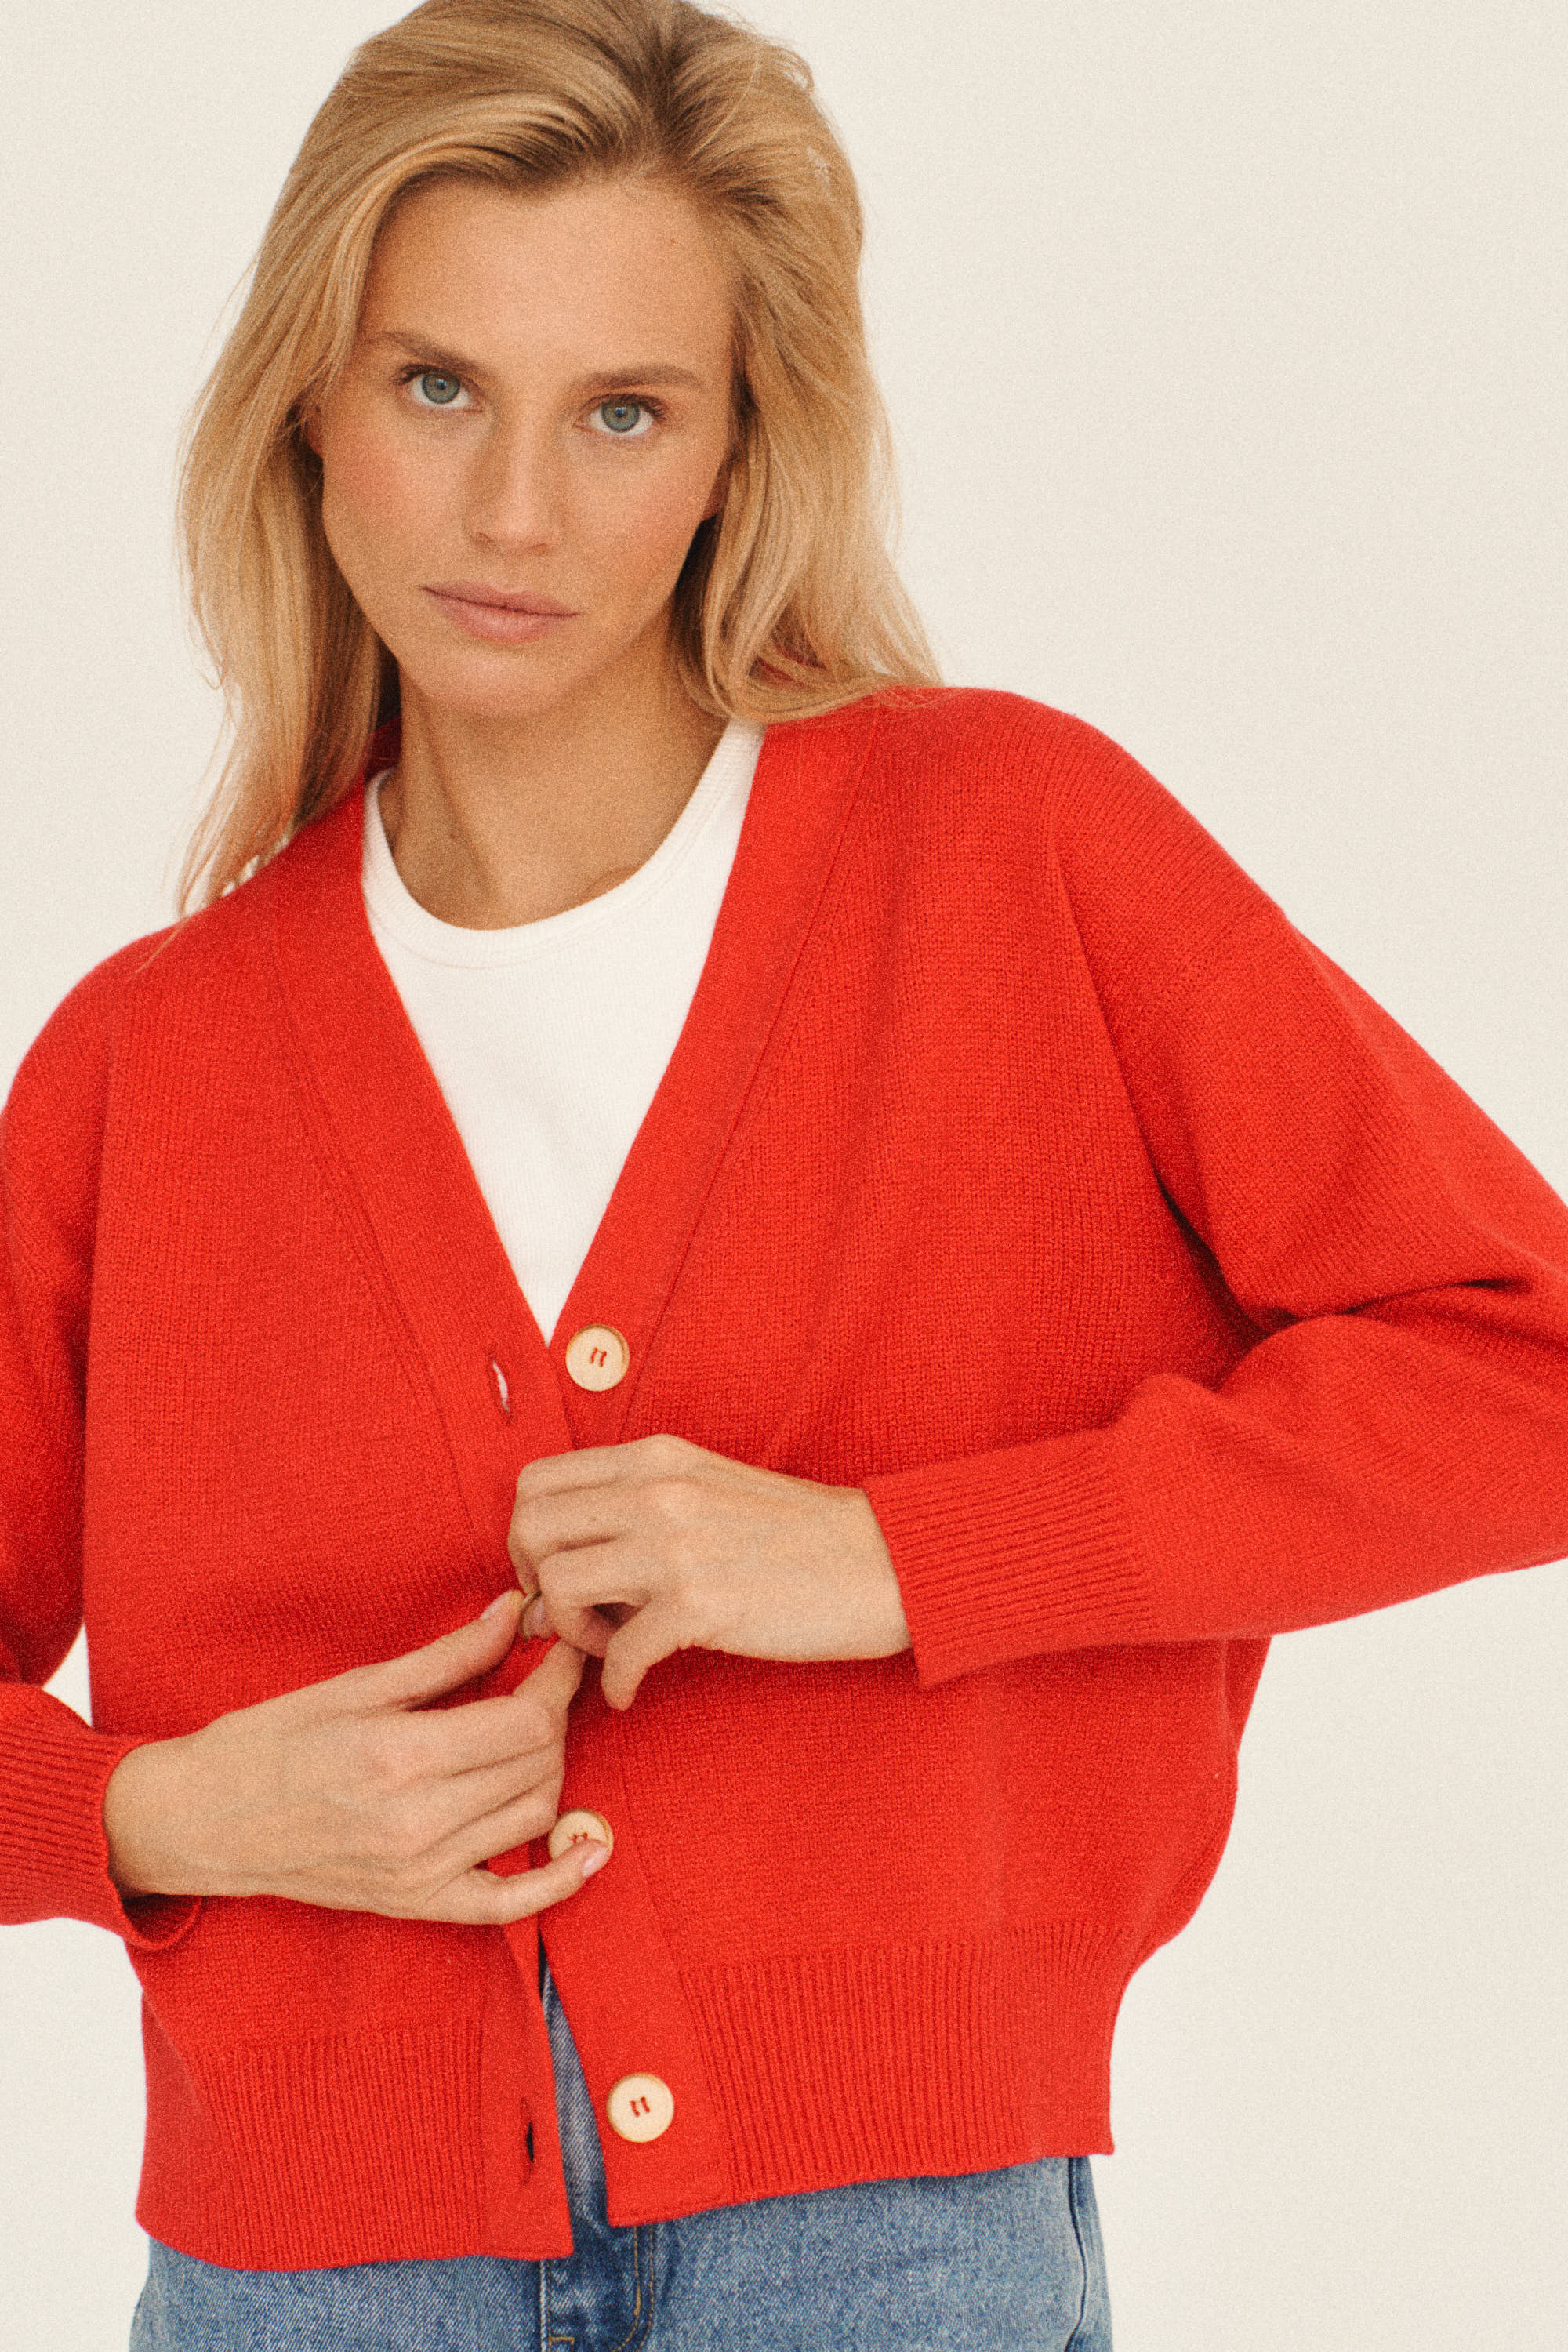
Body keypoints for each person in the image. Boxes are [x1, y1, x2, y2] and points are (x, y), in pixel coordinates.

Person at [2, 1, 1566, 2345]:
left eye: (624, 412)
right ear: (310, 408)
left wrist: (895, 1560)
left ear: (744, 448)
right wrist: (168, 1817)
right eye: (438, 387)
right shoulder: (151, 1062)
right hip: (305, 2280)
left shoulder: (1006, 853)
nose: (515, 513)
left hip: (883, 2246)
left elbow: (1522, 1366)